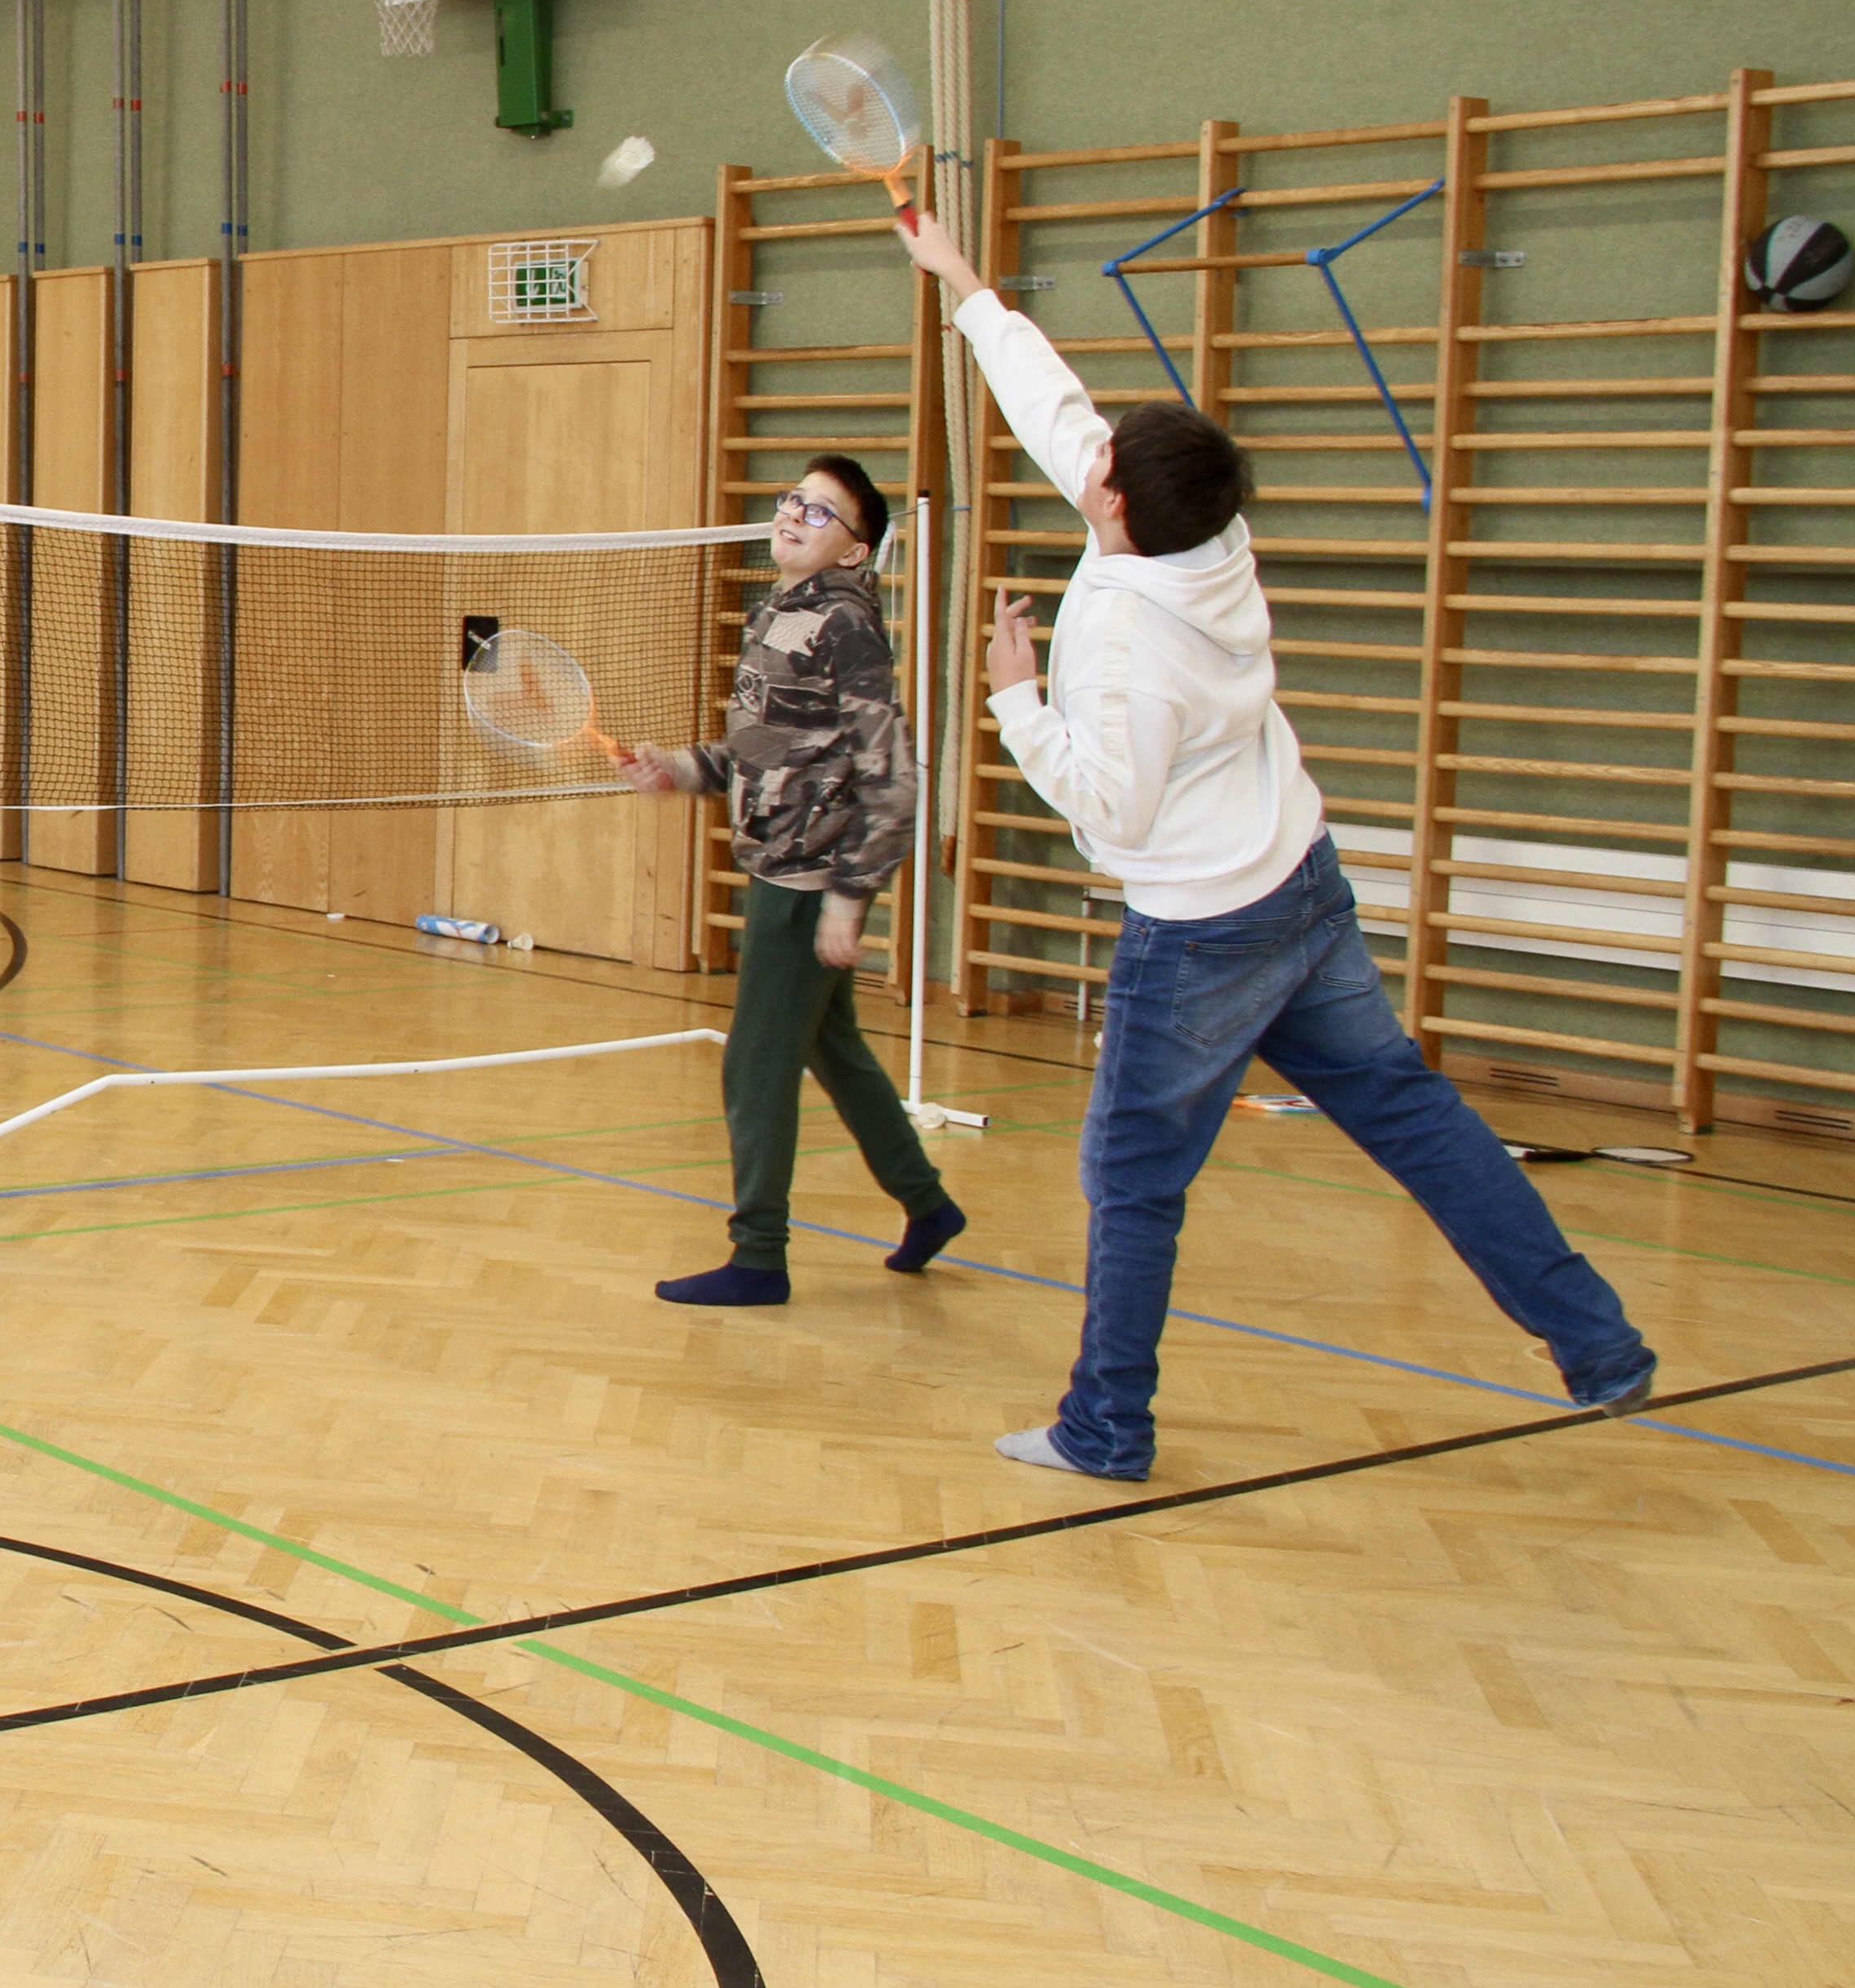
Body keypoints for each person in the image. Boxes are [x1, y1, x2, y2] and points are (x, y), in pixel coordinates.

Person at [897, 208, 1657, 1476]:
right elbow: (1057, 409)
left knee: (1131, 1177)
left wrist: (1016, 697)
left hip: (1201, 929)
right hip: (1298, 884)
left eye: (1102, 468)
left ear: (1115, 503)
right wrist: (962, 280)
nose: (1087, 460)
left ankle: (1106, 1427)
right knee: (1414, 1115)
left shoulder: (1129, 642)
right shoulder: (1206, 535)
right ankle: (1601, 1345)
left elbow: (1115, 810)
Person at [620, 453, 963, 1305]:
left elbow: (894, 778)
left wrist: (848, 898)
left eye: (819, 512)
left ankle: (759, 1256)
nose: (793, 516)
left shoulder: (845, 627)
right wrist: (680, 768)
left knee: (756, 1066)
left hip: (808, 881)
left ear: (856, 549)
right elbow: (765, 748)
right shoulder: (780, 610)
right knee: (832, 1049)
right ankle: (928, 1204)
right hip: (777, 864)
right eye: (792, 501)